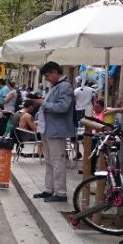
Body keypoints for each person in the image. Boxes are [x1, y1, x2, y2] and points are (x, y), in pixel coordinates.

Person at [33, 61, 75, 203]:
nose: (46, 79)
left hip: (57, 130)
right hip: (48, 129)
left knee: (57, 162)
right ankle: (49, 189)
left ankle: (60, 192)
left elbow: (62, 107)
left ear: (54, 72)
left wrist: (43, 104)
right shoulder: (55, 87)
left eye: (47, 76)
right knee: (49, 161)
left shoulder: (65, 87)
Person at [73, 80, 96, 158]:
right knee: (86, 132)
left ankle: (77, 151)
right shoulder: (91, 90)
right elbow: (94, 100)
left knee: (77, 132)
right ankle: (87, 151)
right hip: (88, 110)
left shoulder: (76, 90)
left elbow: (73, 100)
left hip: (78, 110)